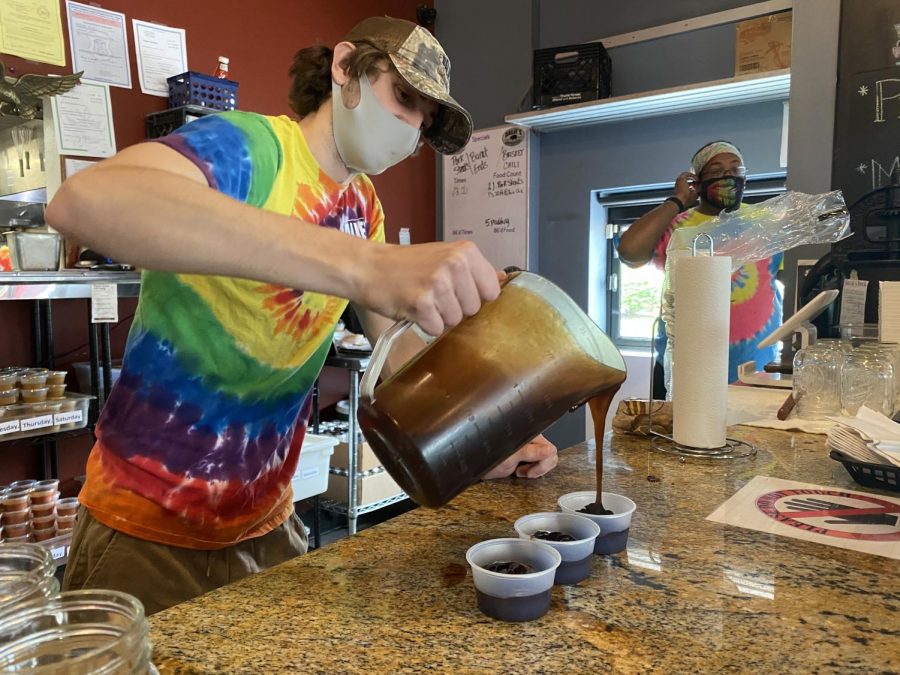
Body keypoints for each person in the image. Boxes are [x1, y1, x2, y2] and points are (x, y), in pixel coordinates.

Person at [46, 16, 557, 615]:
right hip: (144, 526)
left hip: (268, 522)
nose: (410, 127)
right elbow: (84, 202)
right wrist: (364, 265)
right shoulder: (247, 146)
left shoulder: (362, 205)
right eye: (404, 99)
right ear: (346, 69)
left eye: (424, 121)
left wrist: (482, 434)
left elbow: (397, 358)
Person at [616, 140, 783, 393]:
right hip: (685, 370)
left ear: (745, 179)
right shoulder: (678, 226)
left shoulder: (765, 223)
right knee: (677, 432)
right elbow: (630, 252)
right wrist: (679, 199)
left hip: (756, 371)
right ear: (698, 182)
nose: (728, 176)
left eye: (735, 169)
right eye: (716, 171)